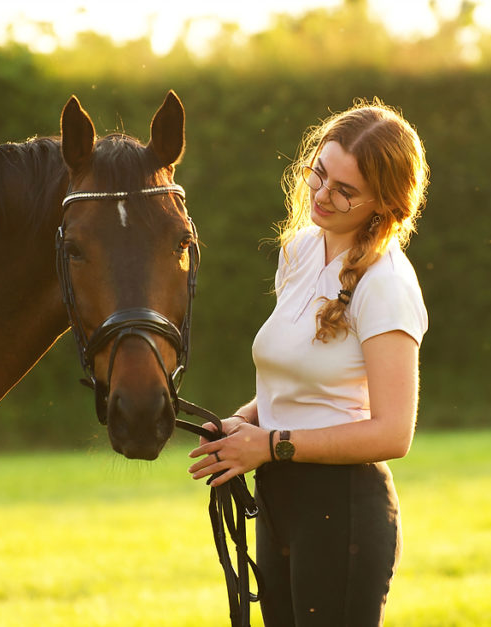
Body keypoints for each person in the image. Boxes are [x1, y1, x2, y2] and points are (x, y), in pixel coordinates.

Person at [188, 98, 430, 626]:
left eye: (344, 191)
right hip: (280, 503)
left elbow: (394, 433)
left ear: (384, 204)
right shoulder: (298, 251)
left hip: (341, 510)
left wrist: (271, 445)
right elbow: (299, 383)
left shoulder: (385, 283)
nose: (321, 195)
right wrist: (244, 424)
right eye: (318, 174)